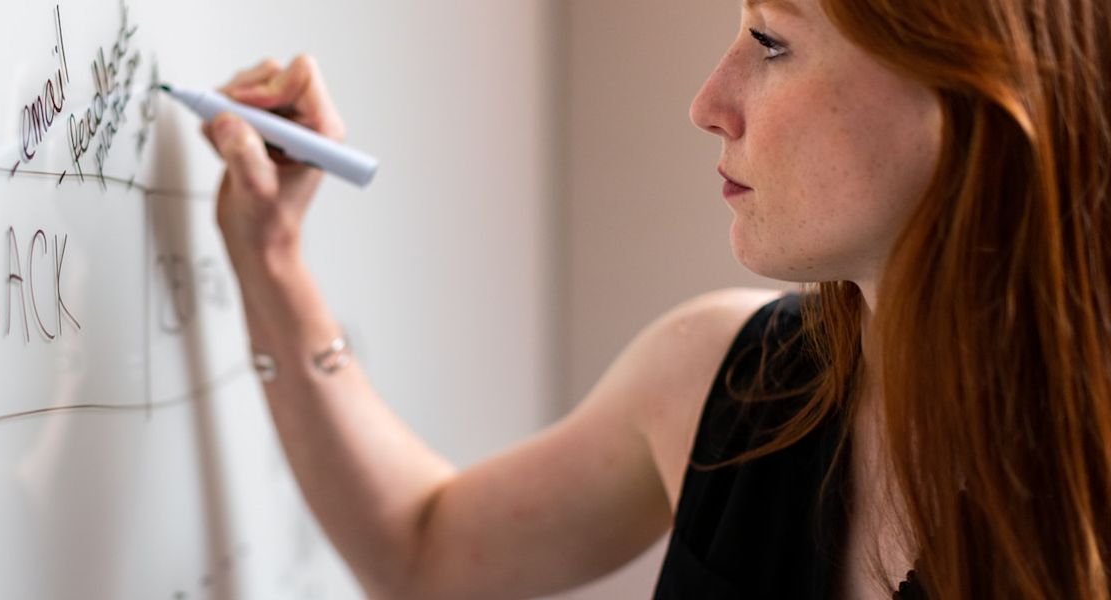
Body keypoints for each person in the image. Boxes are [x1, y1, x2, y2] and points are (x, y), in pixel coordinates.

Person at [198, 0, 1111, 596]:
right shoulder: (726, 379)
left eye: (771, 42)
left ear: (972, 89)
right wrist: (273, 259)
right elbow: (423, 549)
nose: (708, 101)